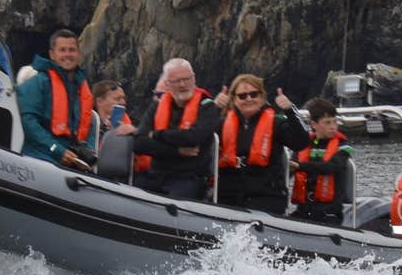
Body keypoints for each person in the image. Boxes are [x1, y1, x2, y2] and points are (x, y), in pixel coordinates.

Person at [212, 74, 310, 214]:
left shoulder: (277, 123)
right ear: (234, 99)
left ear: (262, 97)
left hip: (266, 196)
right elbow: (200, 136)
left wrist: (289, 110)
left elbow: (301, 142)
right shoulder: (221, 124)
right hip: (228, 195)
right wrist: (214, 108)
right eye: (242, 96)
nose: (249, 99)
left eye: (254, 94)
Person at [129, 58, 220, 200]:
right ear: (168, 84)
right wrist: (177, 150)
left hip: (188, 178)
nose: (183, 85)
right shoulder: (157, 106)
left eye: (187, 79)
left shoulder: (207, 107)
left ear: (194, 79)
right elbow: (139, 144)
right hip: (155, 175)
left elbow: (192, 138)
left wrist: (156, 135)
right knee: (133, 199)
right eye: (177, 81)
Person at [17, 29, 97, 171]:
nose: (67, 54)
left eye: (72, 50)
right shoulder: (38, 83)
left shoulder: (82, 88)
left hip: (72, 163)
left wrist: (87, 152)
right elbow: (28, 122)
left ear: (78, 54)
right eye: (62, 50)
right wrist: (57, 150)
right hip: (40, 157)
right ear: (52, 55)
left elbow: (89, 125)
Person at [290, 97, 353, 224]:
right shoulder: (303, 145)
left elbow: (333, 167)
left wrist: (300, 166)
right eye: (327, 123)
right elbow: (289, 170)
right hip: (303, 210)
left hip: (329, 213)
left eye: (335, 122)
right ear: (314, 124)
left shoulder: (343, 147)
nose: (333, 127)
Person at [93, 79, 149, 176]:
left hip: (121, 180)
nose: (123, 102)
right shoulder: (88, 122)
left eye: (124, 99)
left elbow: (145, 163)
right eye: (117, 99)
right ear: (100, 101)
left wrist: (134, 134)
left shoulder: (132, 127)